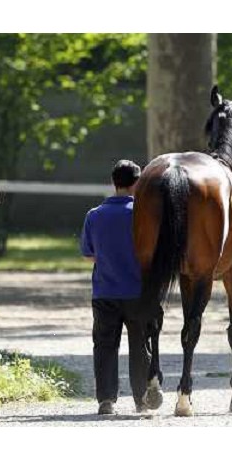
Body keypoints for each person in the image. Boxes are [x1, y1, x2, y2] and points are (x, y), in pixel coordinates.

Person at [80, 159, 150, 415]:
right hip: (137, 291)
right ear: (137, 183)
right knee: (140, 344)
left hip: (104, 291)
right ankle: (141, 398)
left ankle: (106, 400)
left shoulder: (94, 215)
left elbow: (89, 254)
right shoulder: (143, 215)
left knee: (105, 345)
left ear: (114, 183)